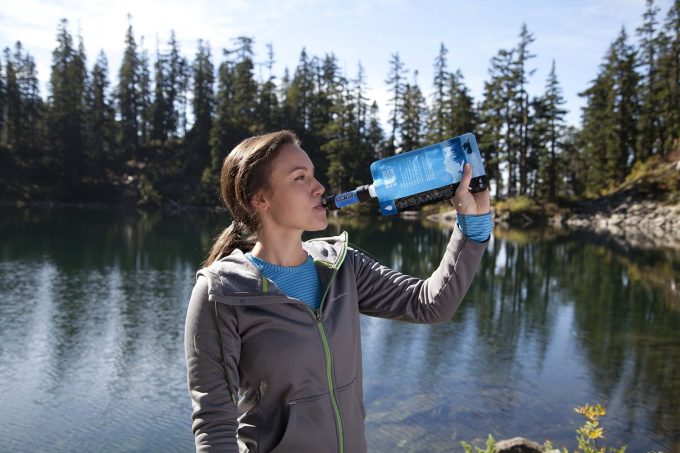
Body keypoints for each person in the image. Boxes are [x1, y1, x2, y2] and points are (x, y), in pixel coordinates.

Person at [184, 130, 492, 453]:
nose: (319, 188)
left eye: (313, 175)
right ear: (260, 199)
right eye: (300, 178)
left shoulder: (343, 265)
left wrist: (473, 223)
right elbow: (215, 427)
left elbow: (431, 305)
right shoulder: (221, 293)